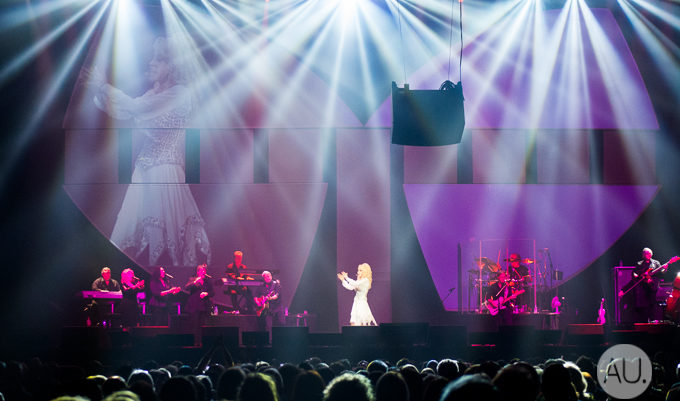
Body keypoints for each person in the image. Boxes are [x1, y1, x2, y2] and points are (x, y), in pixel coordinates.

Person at [84, 36, 210, 268]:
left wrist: (103, 87)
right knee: (129, 237)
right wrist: (99, 92)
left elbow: (136, 107)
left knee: (162, 239)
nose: (151, 62)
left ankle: (167, 284)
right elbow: (124, 111)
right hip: (143, 170)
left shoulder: (179, 93)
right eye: (152, 58)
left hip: (164, 171)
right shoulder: (155, 94)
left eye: (159, 59)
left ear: (172, 65)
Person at [619, 247, 667, 323]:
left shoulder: (656, 263)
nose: (646, 255)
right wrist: (638, 275)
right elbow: (634, 276)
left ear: (651, 254)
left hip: (653, 288)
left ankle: (653, 323)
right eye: (645, 253)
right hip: (642, 290)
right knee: (644, 310)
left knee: (653, 307)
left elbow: (662, 272)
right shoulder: (639, 264)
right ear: (643, 255)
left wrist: (665, 269)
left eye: (648, 253)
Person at [185, 264, 215, 346]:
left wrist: (206, 293)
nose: (203, 272)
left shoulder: (208, 280)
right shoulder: (193, 279)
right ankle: (195, 342)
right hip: (195, 305)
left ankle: (202, 342)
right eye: (202, 271)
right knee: (195, 324)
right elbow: (186, 287)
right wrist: (195, 282)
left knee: (203, 324)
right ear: (198, 272)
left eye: (204, 271)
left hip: (204, 305)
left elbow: (213, 292)